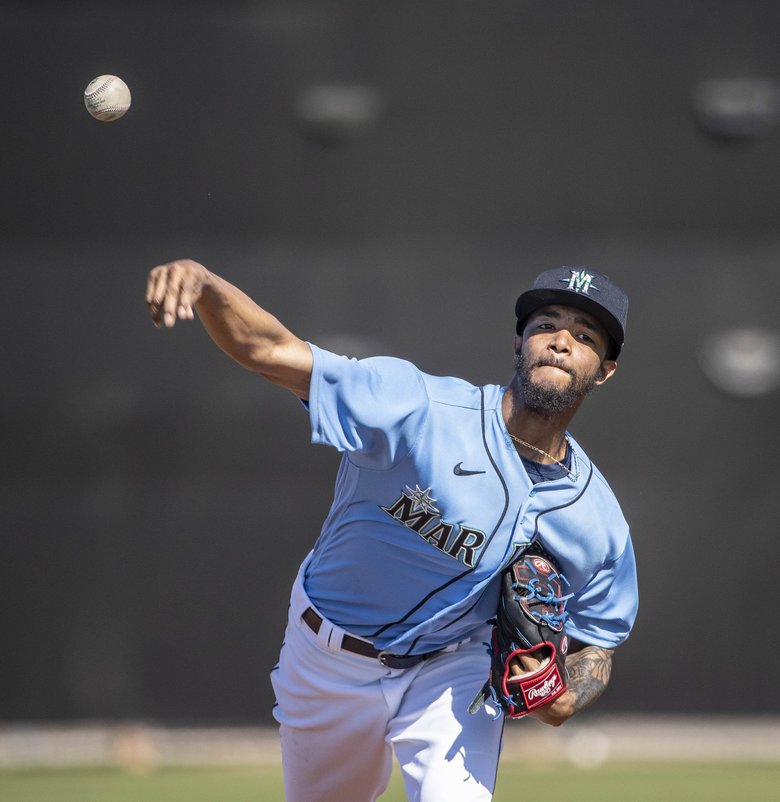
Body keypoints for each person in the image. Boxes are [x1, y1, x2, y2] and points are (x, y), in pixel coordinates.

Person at [145, 260, 638, 802]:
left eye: (585, 335)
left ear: (605, 370)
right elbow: (272, 352)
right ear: (518, 342)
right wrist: (206, 285)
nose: (561, 341)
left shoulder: (596, 518)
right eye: (546, 324)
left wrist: (564, 696)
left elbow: (600, 639)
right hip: (327, 657)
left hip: (452, 668)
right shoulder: (416, 405)